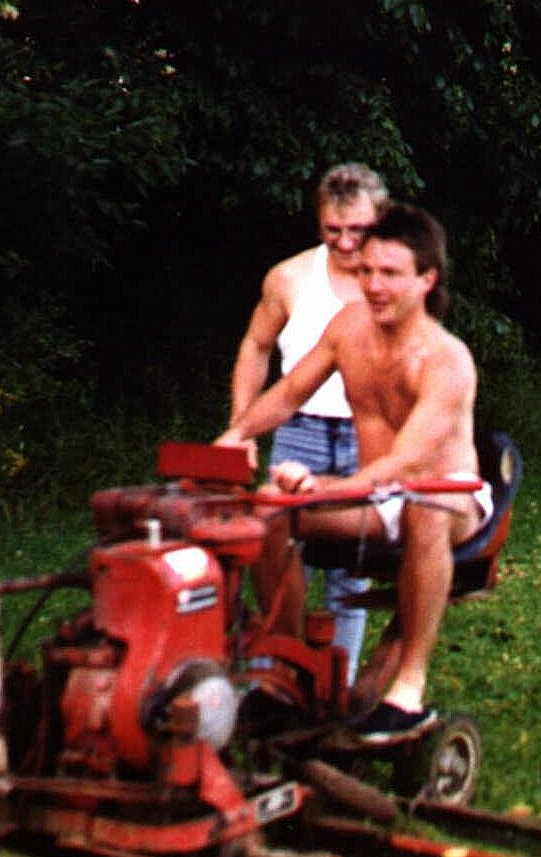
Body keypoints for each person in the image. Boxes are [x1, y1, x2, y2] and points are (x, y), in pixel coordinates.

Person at [217, 202, 490, 743]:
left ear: (425, 279)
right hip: (378, 497)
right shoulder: (349, 328)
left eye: (390, 274)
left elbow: (408, 463)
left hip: (449, 499)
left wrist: (324, 487)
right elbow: (289, 393)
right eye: (366, 271)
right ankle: (288, 676)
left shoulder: (446, 359)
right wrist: (235, 436)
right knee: (268, 511)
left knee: (424, 512)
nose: (373, 285)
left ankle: (407, 690)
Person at [229, 163, 388, 684]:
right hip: (301, 430)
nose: (345, 244)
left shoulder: (394, 283)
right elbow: (255, 347)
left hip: (369, 436)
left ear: (381, 221)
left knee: (349, 575)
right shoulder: (290, 277)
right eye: (332, 231)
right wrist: (240, 428)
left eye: (358, 232)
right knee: (278, 554)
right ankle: (278, 677)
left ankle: (332, 692)